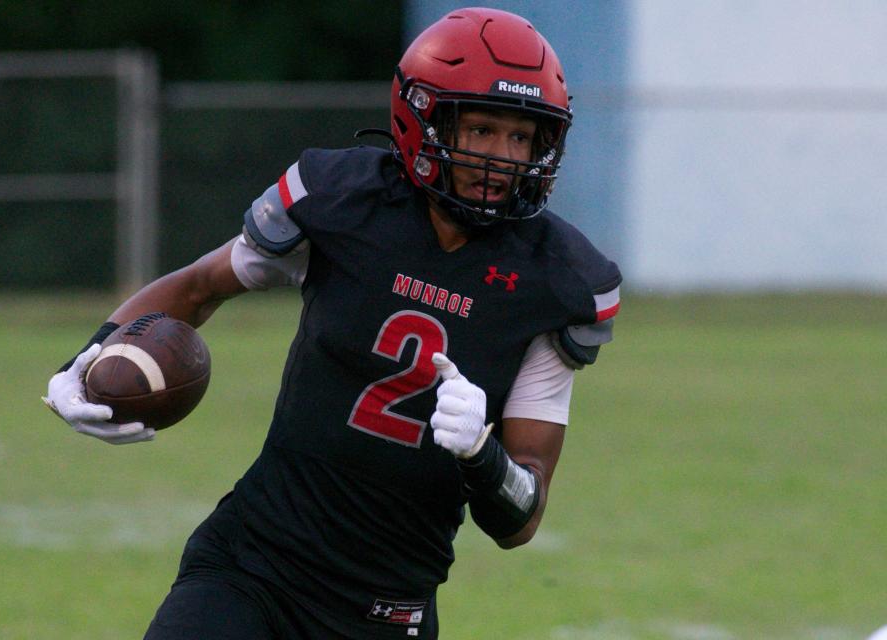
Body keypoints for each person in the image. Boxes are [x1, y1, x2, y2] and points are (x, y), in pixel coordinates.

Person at [44, 7, 621, 639]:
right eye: (481, 130)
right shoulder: (344, 205)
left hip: (386, 606)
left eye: (521, 137)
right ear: (420, 118)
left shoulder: (558, 281)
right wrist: (87, 360)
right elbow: (198, 287)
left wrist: (483, 456)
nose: (501, 158)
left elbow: (522, 519)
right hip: (252, 563)